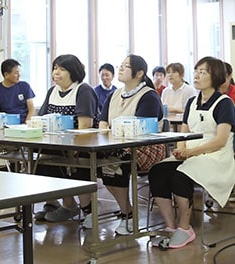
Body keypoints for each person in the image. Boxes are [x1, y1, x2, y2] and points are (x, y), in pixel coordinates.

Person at [149, 56, 235, 249]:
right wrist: (180, 151)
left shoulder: (224, 103)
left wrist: (191, 152)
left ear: (216, 77)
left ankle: (185, 227)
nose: (197, 75)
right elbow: (183, 134)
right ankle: (170, 227)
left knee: (181, 175)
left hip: (216, 157)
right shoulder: (191, 102)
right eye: (196, 71)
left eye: (203, 72)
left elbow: (220, 140)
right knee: (158, 171)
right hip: (192, 154)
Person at [96, 54, 164, 235]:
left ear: (139, 73)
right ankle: (126, 210)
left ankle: (128, 213)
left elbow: (140, 129)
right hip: (114, 145)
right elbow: (102, 123)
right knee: (96, 158)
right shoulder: (114, 94)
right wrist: (108, 135)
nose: (120, 68)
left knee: (113, 162)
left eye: (125, 66)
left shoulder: (149, 96)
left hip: (145, 148)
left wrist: (112, 136)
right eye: (121, 65)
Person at [34, 54, 98, 222]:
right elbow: (42, 119)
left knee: (72, 165)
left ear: (73, 72)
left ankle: (87, 210)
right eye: (55, 68)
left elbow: (85, 125)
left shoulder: (83, 90)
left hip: (82, 145)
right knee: (40, 159)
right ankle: (60, 203)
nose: (56, 72)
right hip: (56, 144)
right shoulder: (52, 91)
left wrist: (73, 147)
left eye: (62, 69)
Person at [0, 59, 35, 123]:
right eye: (16, 73)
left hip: (25, 125)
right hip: (6, 126)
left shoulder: (24, 86)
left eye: (19, 72)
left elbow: (31, 110)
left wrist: (26, 124)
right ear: (6, 75)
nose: (19, 75)